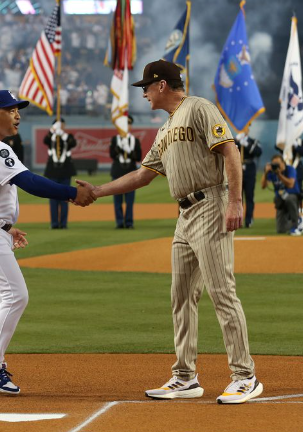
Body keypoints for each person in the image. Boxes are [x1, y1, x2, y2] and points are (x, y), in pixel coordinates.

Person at [79, 60, 263, 404]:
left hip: (211, 203)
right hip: (185, 214)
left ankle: (244, 375)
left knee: (222, 292)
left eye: (146, 86)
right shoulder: (166, 129)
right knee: (181, 296)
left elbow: (231, 151)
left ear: (161, 85)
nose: (144, 93)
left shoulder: (198, 108)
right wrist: (98, 191)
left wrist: (236, 202)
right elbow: (143, 175)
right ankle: (185, 376)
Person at [0, 90, 95, 396]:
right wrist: (72, 194)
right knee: (16, 295)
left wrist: (6, 227)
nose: (17, 114)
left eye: (18, 109)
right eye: (10, 109)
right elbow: (29, 182)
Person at [109, 115, 142, 229]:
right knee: (117, 200)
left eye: (129, 124)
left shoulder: (135, 140)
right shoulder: (115, 140)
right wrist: (118, 149)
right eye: (125, 125)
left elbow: (138, 157)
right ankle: (119, 222)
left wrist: (130, 152)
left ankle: (129, 222)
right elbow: (112, 155)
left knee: (129, 201)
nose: (127, 127)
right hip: (118, 171)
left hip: (130, 172)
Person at [43, 118, 77, 229]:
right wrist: (52, 130)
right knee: (53, 199)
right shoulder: (51, 137)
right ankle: (54, 223)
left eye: (62, 125)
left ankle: (63, 223)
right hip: (53, 171)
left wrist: (63, 135)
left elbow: (73, 143)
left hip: (65, 171)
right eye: (58, 125)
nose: (60, 127)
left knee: (65, 199)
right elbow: (45, 140)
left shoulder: (68, 137)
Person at [261, 154, 302, 235]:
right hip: (280, 199)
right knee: (281, 230)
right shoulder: (272, 172)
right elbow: (263, 186)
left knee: (289, 199)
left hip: (293, 196)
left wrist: (279, 175)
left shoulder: (290, 169)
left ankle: (295, 226)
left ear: (283, 163)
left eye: (278, 164)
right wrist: (266, 173)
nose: (276, 166)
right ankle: (298, 219)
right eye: (274, 164)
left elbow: (290, 184)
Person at [235, 123, 262, 228]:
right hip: (237, 170)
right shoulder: (234, 140)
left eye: (246, 128)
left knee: (249, 196)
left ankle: (249, 219)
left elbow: (258, 152)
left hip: (249, 170)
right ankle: (238, 220)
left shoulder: (252, 141)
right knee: (238, 197)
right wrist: (236, 142)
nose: (244, 129)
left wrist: (246, 144)